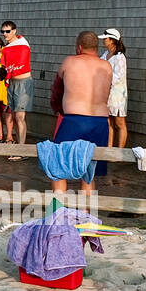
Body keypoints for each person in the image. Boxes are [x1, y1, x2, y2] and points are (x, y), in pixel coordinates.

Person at [47, 31, 113, 196]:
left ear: (79, 47)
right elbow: (108, 92)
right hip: (100, 122)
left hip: (73, 120)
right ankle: (86, 213)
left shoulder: (69, 62)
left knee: (58, 166)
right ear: (96, 48)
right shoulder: (106, 66)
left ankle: (59, 209)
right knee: (89, 172)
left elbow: (56, 91)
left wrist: (58, 110)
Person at [0, 21, 32, 160]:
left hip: (23, 83)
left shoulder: (22, 44)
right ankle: (19, 147)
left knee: (20, 117)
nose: (5, 34)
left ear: (14, 31)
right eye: (3, 32)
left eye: (7, 31)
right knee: (14, 116)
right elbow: (4, 68)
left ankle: (22, 151)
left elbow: (20, 63)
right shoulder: (5, 49)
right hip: (12, 83)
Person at [100, 28, 129, 156]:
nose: (104, 41)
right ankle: (109, 149)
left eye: (105, 39)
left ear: (112, 40)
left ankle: (120, 152)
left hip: (117, 94)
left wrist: (105, 77)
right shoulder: (105, 54)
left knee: (119, 121)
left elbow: (119, 76)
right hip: (106, 92)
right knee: (108, 120)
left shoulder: (120, 57)